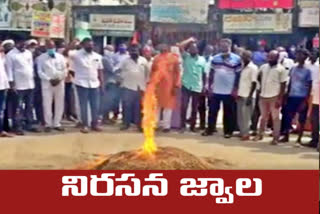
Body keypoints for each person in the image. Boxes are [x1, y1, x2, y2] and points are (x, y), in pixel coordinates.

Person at [203, 38, 242, 138]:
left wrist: (235, 89)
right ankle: (210, 129)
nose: (223, 47)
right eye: (222, 46)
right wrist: (210, 86)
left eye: (225, 46)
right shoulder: (215, 58)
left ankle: (228, 131)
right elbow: (211, 73)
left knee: (228, 112)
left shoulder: (237, 59)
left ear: (230, 46)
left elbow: (238, 75)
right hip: (216, 89)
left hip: (229, 91)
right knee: (212, 111)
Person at [71, 38, 104, 134]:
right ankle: (85, 125)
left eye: (92, 45)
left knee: (95, 105)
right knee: (83, 106)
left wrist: (102, 84)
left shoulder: (97, 56)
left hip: (95, 83)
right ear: (83, 45)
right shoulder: (76, 54)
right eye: (88, 45)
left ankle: (95, 124)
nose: (90, 46)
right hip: (81, 83)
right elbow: (65, 52)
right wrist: (73, 43)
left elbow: (100, 71)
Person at [6, 38, 37, 135]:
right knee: (18, 107)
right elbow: (9, 70)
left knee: (29, 106)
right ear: (17, 44)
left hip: (30, 84)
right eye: (22, 44)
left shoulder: (28, 53)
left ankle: (29, 124)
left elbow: (30, 67)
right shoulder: (11, 55)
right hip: (18, 85)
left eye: (25, 44)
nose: (23, 46)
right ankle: (17, 126)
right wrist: (12, 84)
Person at [280, 49, 312, 143]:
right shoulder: (293, 68)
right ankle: (286, 136)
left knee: (301, 118)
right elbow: (290, 82)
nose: (298, 57)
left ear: (305, 57)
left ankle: (299, 138)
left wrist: (305, 99)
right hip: (292, 96)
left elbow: (309, 85)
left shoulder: (308, 70)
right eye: (297, 55)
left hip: (301, 96)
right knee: (288, 116)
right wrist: (286, 94)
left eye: (300, 55)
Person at [256, 50, 287, 145]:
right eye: (269, 57)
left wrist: (279, 99)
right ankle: (260, 134)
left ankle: (275, 138)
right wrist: (259, 91)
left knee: (275, 118)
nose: (270, 59)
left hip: (274, 96)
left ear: (277, 58)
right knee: (263, 117)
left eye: (272, 57)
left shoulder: (281, 69)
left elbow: (283, 84)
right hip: (263, 95)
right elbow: (259, 79)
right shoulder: (263, 67)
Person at [37, 39, 67, 132]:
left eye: (52, 47)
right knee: (47, 104)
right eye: (49, 47)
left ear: (55, 47)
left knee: (60, 103)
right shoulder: (41, 58)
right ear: (46, 47)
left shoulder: (61, 57)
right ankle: (48, 124)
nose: (51, 48)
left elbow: (65, 70)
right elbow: (39, 71)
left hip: (59, 82)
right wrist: (49, 79)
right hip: (47, 83)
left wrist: (60, 79)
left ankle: (57, 123)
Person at [178, 38, 206, 133]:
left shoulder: (202, 60)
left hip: (197, 86)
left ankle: (192, 126)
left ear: (198, 50)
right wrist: (189, 40)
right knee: (184, 106)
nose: (192, 50)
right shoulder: (186, 57)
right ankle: (182, 126)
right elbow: (180, 46)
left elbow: (204, 74)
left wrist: (204, 86)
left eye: (194, 48)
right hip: (186, 85)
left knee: (195, 108)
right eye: (191, 48)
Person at [151, 44, 181, 133]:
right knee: (157, 106)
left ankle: (166, 126)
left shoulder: (174, 59)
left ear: (168, 49)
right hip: (158, 86)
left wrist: (176, 85)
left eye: (164, 48)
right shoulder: (156, 58)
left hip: (169, 86)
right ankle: (155, 124)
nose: (162, 49)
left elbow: (177, 73)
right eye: (161, 48)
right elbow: (152, 72)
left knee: (168, 107)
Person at [119, 44, 149, 131]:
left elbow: (147, 73)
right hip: (127, 86)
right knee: (127, 106)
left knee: (139, 107)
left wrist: (145, 84)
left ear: (139, 52)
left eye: (136, 51)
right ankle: (126, 124)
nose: (134, 52)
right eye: (132, 51)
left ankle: (139, 125)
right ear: (129, 52)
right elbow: (119, 71)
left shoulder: (143, 60)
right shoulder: (125, 61)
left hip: (140, 87)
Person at [237, 50, 259, 141]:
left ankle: (246, 134)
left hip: (248, 95)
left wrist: (250, 96)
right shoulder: (242, 67)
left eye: (245, 56)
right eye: (242, 56)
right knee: (240, 116)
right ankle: (242, 132)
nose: (243, 58)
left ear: (250, 57)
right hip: (241, 93)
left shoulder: (253, 68)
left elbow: (254, 83)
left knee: (246, 116)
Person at [101, 45, 121, 125]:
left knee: (111, 101)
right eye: (109, 50)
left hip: (112, 81)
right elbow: (112, 69)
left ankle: (107, 118)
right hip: (108, 82)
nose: (110, 52)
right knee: (107, 100)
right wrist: (119, 67)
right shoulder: (105, 59)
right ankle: (105, 118)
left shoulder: (111, 59)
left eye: (111, 50)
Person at [305, 50, 319, 149]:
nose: (311, 55)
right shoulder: (308, 65)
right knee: (314, 118)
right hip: (314, 95)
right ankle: (314, 140)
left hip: (316, 94)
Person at [198, 44, 214, 130]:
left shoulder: (214, 60)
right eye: (207, 50)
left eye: (210, 50)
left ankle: (211, 125)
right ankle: (202, 124)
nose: (209, 51)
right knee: (201, 106)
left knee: (212, 106)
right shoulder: (200, 59)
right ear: (205, 50)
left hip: (211, 85)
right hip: (201, 84)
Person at [0, 47, 12, 137]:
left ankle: (1, 131)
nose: (2, 48)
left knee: (1, 110)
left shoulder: (3, 57)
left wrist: (7, 85)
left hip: (3, 86)